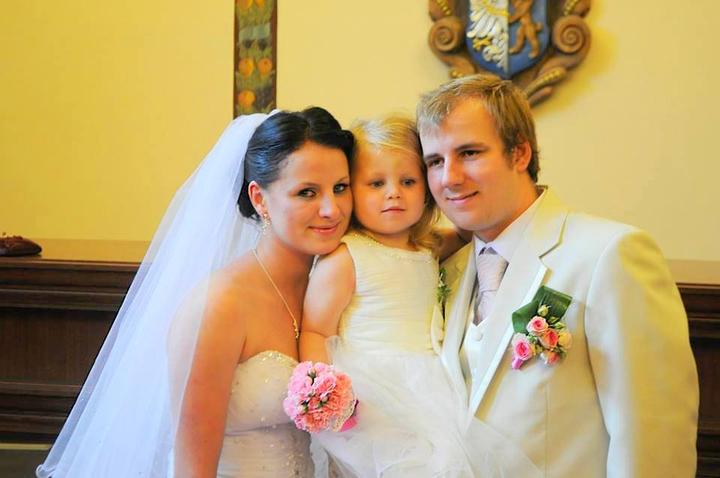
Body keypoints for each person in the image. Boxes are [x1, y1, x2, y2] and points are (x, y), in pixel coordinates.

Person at [36, 107, 355, 477]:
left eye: (340, 188)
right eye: (307, 192)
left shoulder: (337, 290)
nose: (331, 209)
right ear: (260, 198)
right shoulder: (219, 304)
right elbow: (192, 468)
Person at [417, 73, 699, 477]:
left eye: (470, 153)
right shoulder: (448, 270)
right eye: (435, 161)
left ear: (519, 153)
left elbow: (654, 439)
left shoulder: (610, 255)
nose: (449, 178)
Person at [300, 115, 539, 477]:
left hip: (432, 382)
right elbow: (316, 330)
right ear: (351, 190)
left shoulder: (429, 246)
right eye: (376, 183)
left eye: (408, 181)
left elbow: (470, 231)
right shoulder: (346, 256)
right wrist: (323, 388)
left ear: (426, 190)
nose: (393, 192)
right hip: (372, 388)